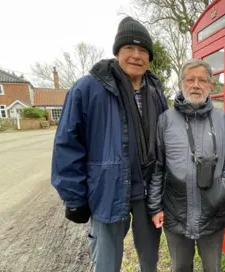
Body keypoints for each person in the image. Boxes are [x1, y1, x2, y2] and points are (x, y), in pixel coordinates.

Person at [51, 16, 168, 272]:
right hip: (107, 191)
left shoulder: (156, 91)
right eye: (129, 48)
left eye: (143, 50)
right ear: (117, 52)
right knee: (106, 263)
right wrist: (74, 197)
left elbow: (165, 140)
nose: (136, 56)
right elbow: (67, 144)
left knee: (150, 261)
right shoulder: (87, 88)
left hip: (148, 192)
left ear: (149, 57)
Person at [147, 59, 225, 272]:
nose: (196, 85)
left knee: (212, 268)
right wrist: (155, 206)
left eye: (202, 80)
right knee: (180, 268)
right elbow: (158, 166)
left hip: (213, 214)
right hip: (175, 214)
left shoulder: (223, 120)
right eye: (190, 79)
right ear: (181, 84)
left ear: (210, 86)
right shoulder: (165, 120)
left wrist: (224, 188)